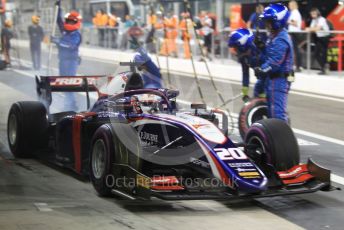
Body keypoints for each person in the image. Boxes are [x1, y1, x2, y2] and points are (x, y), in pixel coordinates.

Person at [255, 3, 294, 122]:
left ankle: (284, 139)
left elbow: (275, 62)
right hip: (273, 79)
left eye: (268, 21)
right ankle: (273, 138)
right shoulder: (274, 35)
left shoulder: (281, 38)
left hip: (280, 79)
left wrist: (262, 69)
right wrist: (261, 47)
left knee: (277, 113)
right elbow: (270, 55)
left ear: (278, 21)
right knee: (271, 112)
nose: (266, 24)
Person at [51, 0, 82, 111]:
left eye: (72, 22)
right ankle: (68, 104)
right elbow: (58, 20)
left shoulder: (76, 34)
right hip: (63, 61)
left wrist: (57, 41)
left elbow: (70, 46)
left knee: (69, 83)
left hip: (71, 61)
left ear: (76, 22)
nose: (69, 23)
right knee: (63, 83)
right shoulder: (65, 31)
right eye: (68, 21)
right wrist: (58, 8)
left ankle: (71, 105)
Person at [228, 28, 266, 102]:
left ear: (242, 47)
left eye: (236, 48)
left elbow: (269, 70)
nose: (235, 50)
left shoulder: (259, 54)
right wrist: (245, 94)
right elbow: (245, 73)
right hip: (261, 83)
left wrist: (261, 71)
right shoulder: (243, 57)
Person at [306, 8, 330, 75]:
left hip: (325, 37)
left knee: (324, 54)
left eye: (313, 14)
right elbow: (311, 28)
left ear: (317, 13)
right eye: (311, 14)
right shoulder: (314, 20)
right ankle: (324, 67)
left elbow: (317, 28)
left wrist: (310, 29)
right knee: (316, 53)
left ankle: (324, 69)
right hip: (319, 37)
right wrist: (311, 29)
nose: (312, 15)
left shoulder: (322, 19)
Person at [288, 0, 302, 72]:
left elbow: (295, 23)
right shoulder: (293, 12)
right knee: (295, 50)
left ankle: (298, 66)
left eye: (290, 5)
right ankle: (297, 66)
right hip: (293, 32)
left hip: (295, 33)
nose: (289, 7)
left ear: (293, 5)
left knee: (296, 50)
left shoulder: (295, 13)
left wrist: (288, 21)